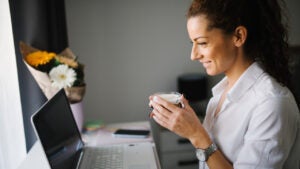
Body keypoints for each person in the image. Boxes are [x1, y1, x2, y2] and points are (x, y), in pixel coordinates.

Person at [149, 0, 300, 168]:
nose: (194, 55)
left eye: (202, 43)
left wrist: (196, 134)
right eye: (193, 43)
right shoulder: (220, 95)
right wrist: (189, 125)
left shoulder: (271, 104)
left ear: (238, 36)